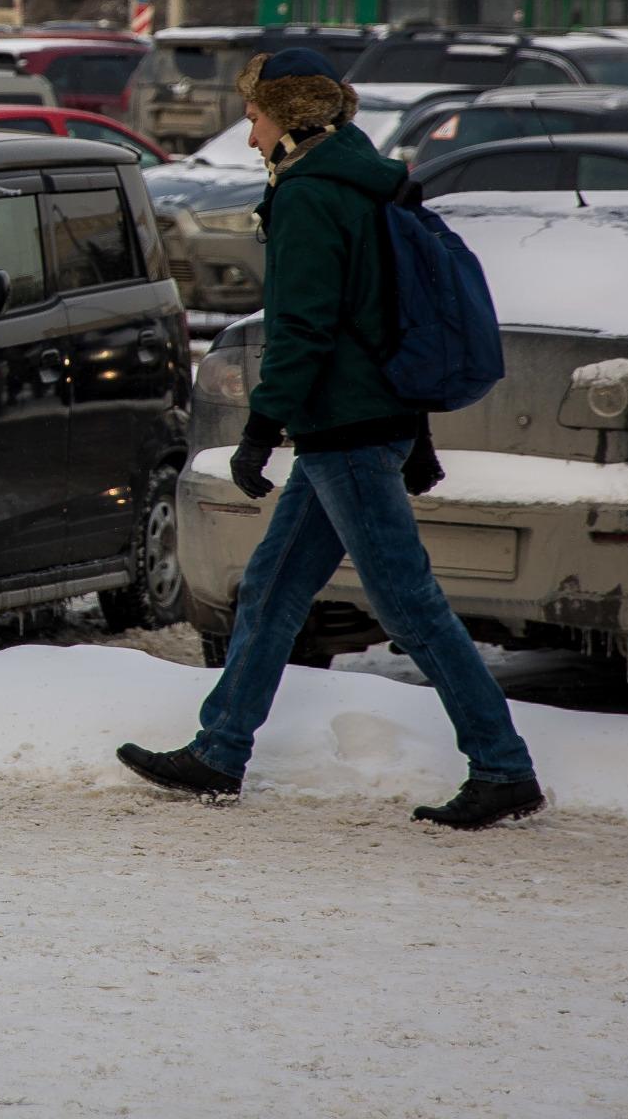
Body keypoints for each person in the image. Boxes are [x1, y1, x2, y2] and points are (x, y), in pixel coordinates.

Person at [118, 47, 543, 830]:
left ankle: (503, 767)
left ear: (290, 118)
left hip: (345, 435)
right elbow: (383, 320)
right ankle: (219, 751)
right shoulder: (368, 181)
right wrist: (410, 432)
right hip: (354, 428)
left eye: (254, 118)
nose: (248, 137)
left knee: (409, 607)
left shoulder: (313, 196)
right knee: (274, 589)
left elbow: (305, 330)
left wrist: (258, 429)